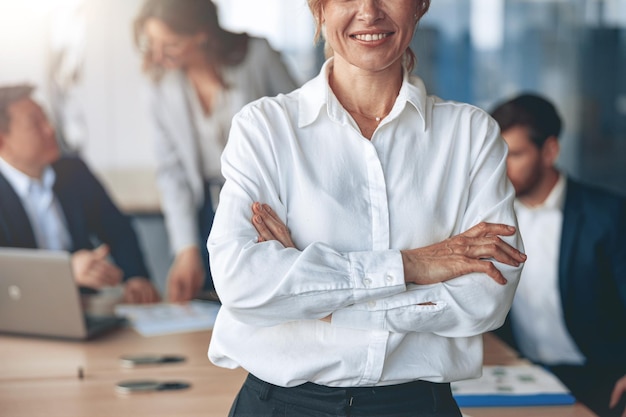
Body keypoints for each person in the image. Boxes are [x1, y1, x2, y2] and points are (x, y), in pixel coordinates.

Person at [207, 1, 526, 415]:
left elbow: (486, 297)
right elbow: (241, 283)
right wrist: (413, 266)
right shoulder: (266, 129)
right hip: (281, 406)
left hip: (416, 405)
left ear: (419, 7)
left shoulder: (470, 136)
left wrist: (315, 302)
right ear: (319, 10)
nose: (369, 11)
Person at [133, 0, 298, 302]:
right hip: (207, 208)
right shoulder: (160, 82)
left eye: (170, 44)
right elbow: (172, 173)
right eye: (152, 44)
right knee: (212, 300)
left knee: (270, 296)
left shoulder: (257, 56)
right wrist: (186, 250)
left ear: (201, 35)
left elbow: (301, 127)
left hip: (269, 205)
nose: (157, 55)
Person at [490, 93, 626, 417]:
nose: (500, 168)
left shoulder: (608, 215)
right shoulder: (490, 217)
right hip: (518, 375)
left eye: (515, 155)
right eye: (496, 155)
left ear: (550, 150)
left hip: (603, 379)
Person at [0, 84, 160, 304]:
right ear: (2, 142)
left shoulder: (74, 173)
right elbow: (6, 277)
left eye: (46, 118)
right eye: (35, 125)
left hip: (83, 309)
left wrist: (136, 277)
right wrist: (64, 273)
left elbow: (118, 230)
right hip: (21, 315)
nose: (50, 129)